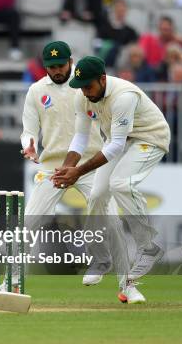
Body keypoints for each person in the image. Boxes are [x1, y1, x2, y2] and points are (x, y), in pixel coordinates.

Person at [52, 56, 171, 303]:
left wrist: (79, 171)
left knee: (120, 184)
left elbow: (116, 146)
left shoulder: (123, 96)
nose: (85, 92)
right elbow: (81, 137)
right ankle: (101, 258)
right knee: (96, 197)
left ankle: (148, 245)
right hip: (118, 140)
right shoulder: (82, 94)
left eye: (89, 86)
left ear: (103, 79)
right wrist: (66, 169)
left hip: (149, 138)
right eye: (81, 86)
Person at [19, 41, 119, 289]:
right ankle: (11, 281)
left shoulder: (86, 83)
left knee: (112, 218)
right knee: (30, 221)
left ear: (70, 61)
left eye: (60, 65)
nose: (56, 71)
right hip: (53, 167)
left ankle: (124, 281)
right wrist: (29, 144)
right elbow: (29, 130)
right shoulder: (36, 91)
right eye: (50, 67)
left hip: (89, 164)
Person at [96, 0, 138, 66]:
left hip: (123, 62)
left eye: (123, 11)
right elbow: (98, 44)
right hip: (106, 59)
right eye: (118, 10)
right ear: (114, 11)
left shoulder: (130, 31)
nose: (120, 13)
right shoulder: (104, 28)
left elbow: (134, 44)